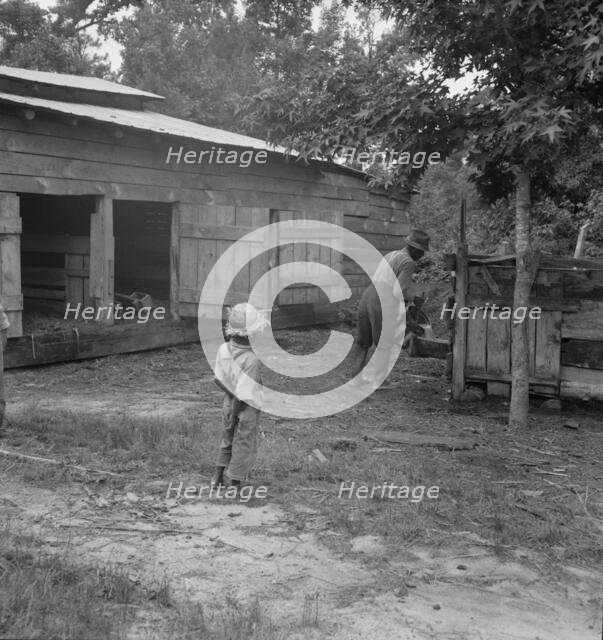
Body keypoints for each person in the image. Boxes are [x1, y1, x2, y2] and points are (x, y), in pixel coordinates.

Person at [350, 229, 430, 385]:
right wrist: (414, 299)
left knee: (363, 341)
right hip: (381, 299)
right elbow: (397, 290)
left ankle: (355, 378)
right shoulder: (409, 262)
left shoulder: (391, 255)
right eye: (421, 252)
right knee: (384, 343)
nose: (422, 256)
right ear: (414, 248)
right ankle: (379, 381)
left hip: (368, 295)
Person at [211, 303, 269, 493]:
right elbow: (243, 396)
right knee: (243, 442)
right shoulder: (251, 360)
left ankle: (217, 476)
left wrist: (229, 396)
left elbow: (217, 379)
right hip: (245, 407)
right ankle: (235, 482)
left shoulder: (223, 349)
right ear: (253, 334)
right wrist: (235, 411)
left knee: (226, 437)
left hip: (228, 402)